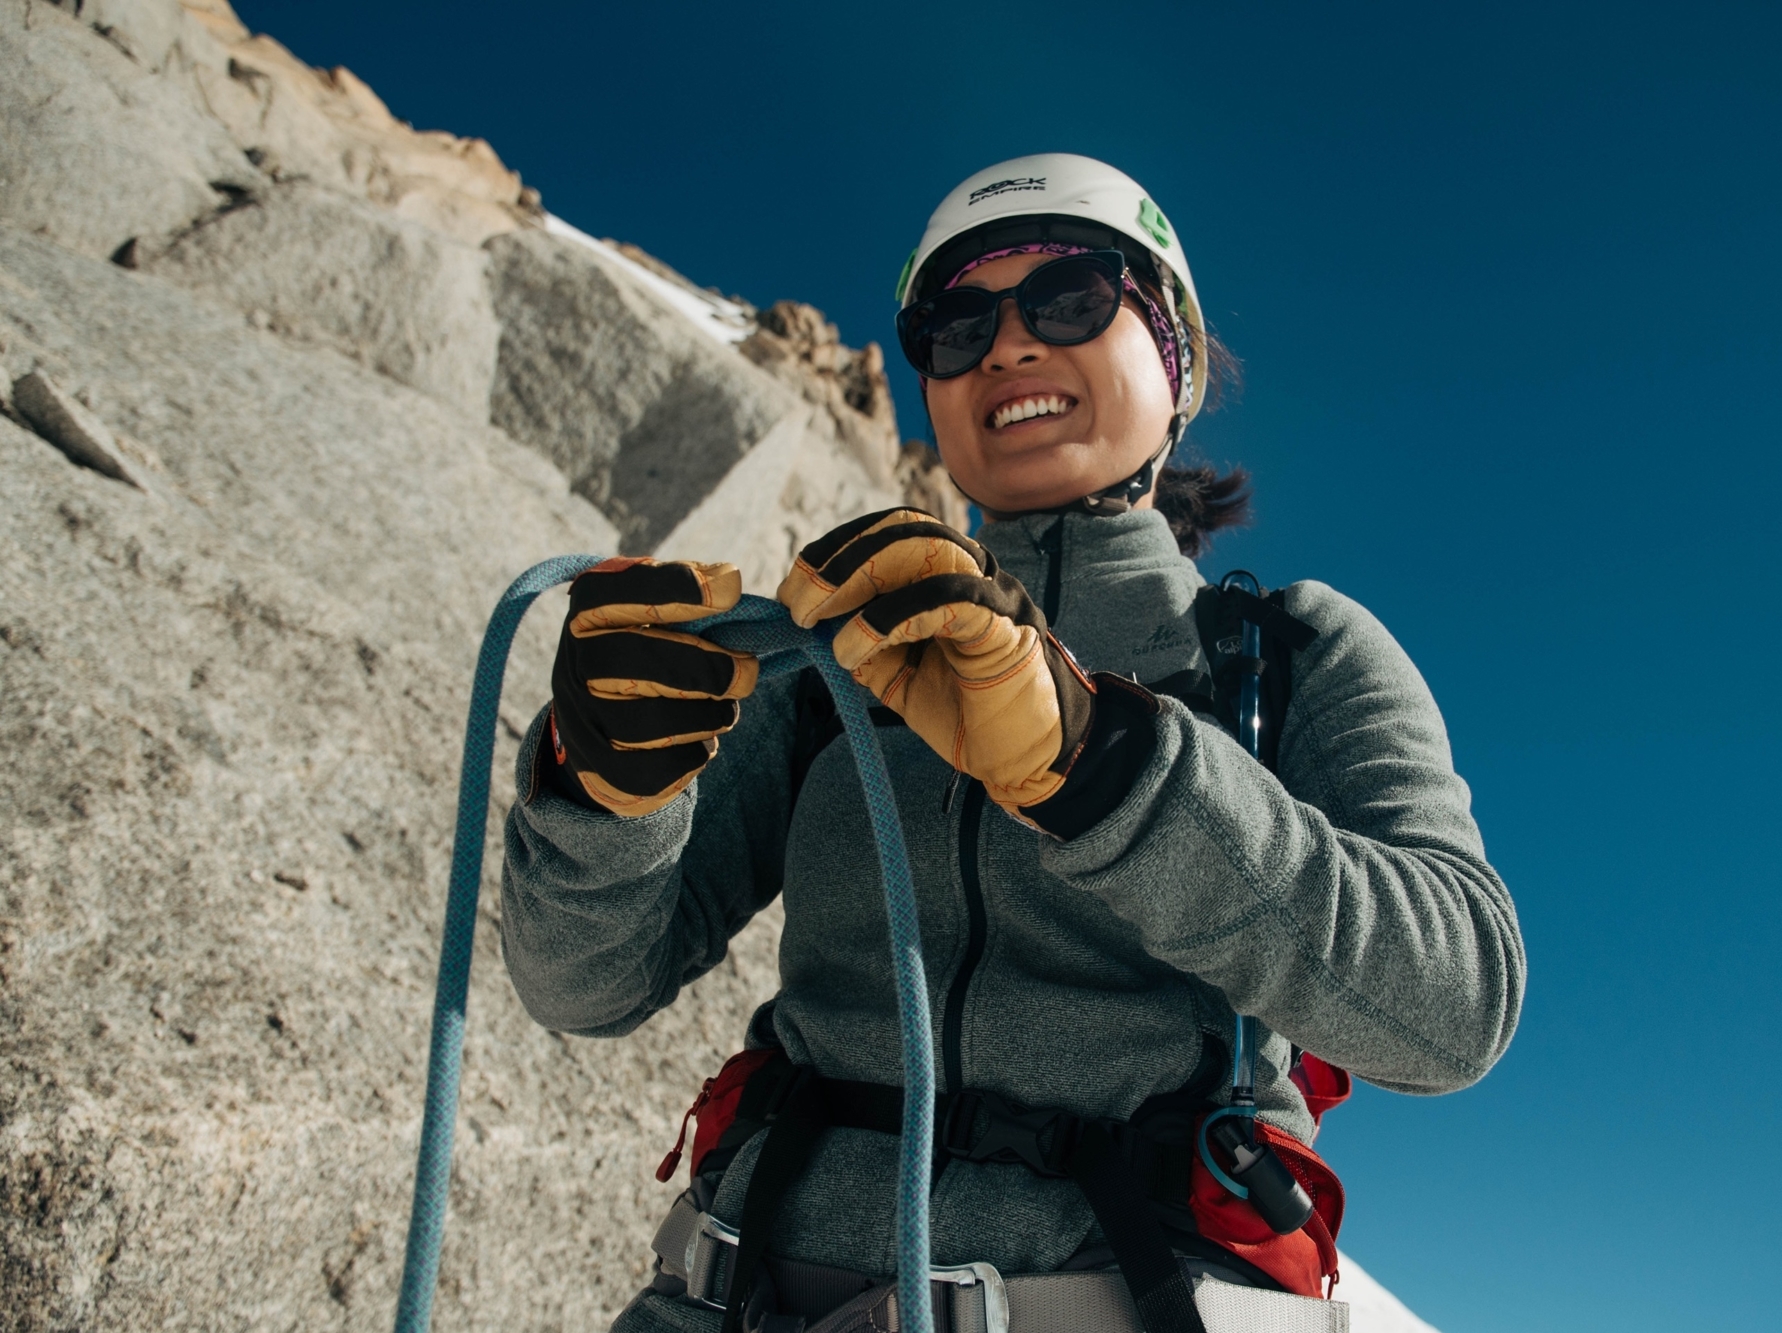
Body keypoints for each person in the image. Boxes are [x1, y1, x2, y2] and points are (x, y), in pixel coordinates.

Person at [501, 153, 1526, 1333]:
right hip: (733, 1297)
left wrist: (1108, 769)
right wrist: (603, 794)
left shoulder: (1284, 652)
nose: (1006, 346)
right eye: (955, 323)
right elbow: (581, 985)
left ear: (1174, 355)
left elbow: (1455, 1001)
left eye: (1072, 300)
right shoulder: (828, 665)